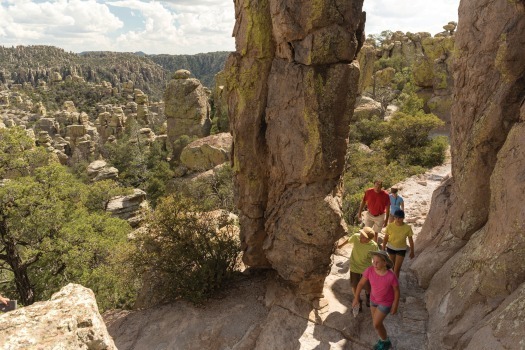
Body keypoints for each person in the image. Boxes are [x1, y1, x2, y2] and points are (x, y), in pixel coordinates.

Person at [353, 250, 399, 350]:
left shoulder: (391, 276)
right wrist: (356, 298)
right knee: (377, 324)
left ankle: (386, 342)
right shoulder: (369, 270)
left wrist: (395, 305)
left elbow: (396, 290)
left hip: (386, 303)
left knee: (376, 324)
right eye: (373, 261)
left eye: (377, 262)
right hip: (373, 300)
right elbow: (360, 284)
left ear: (385, 262)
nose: (374, 264)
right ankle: (383, 340)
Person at [348, 227, 379, 312]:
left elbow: (376, 257)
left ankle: (368, 295)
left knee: (367, 286)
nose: (361, 236)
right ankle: (358, 301)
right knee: (354, 285)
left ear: (369, 240)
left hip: (366, 268)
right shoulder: (355, 237)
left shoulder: (373, 246)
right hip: (354, 266)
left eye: (364, 236)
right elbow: (348, 240)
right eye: (361, 234)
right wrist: (340, 246)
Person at [382, 209, 415, 278]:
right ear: (394, 217)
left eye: (400, 218)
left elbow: (410, 240)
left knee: (397, 270)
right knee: (392, 267)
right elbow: (386, 238)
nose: (397, 219)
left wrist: (412, 251)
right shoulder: (390, 226)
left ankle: (395, 286)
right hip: (391, 248)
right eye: (396, 217)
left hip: (401, 249)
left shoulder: (407, 228)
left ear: (403, 218)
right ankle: (391, 282)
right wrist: (383, 248)